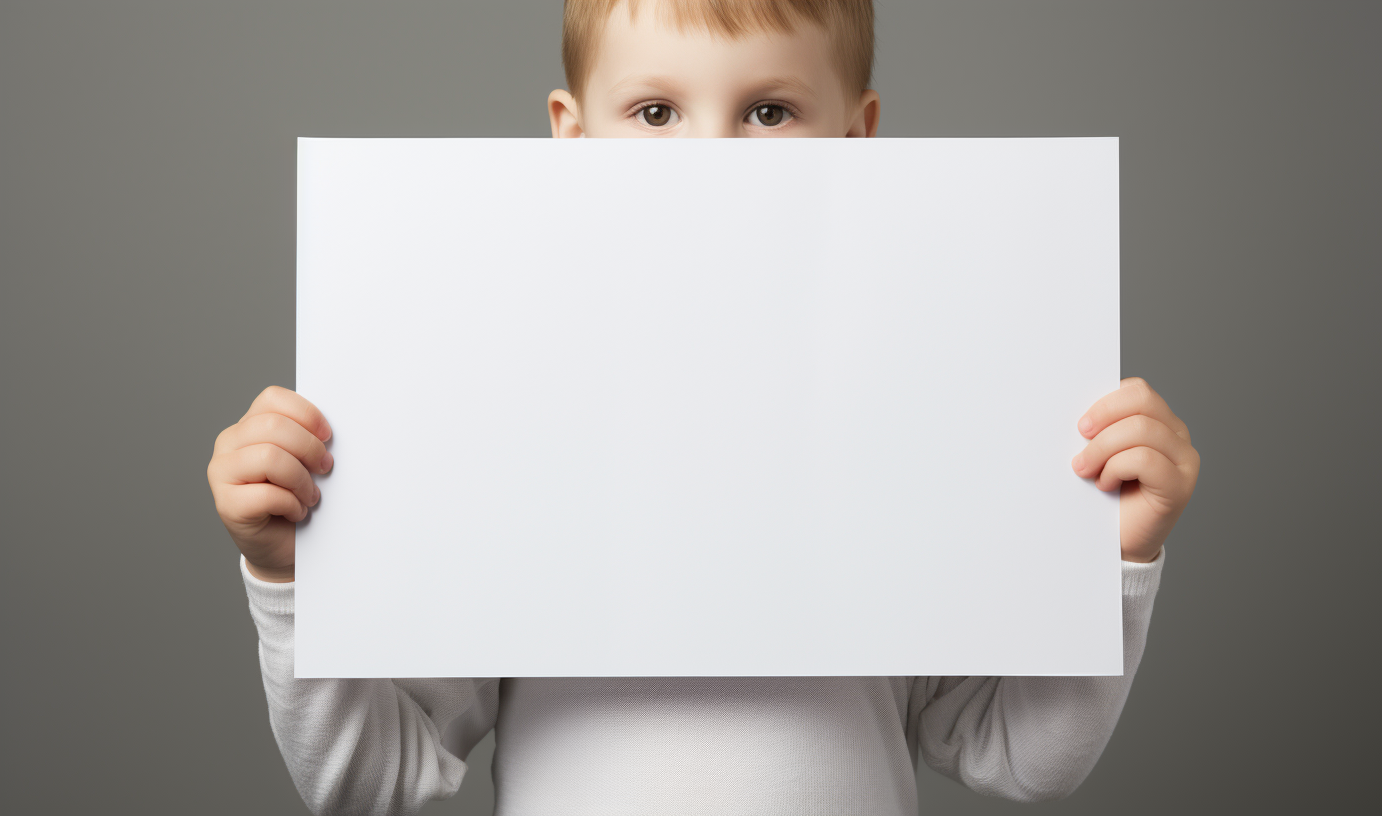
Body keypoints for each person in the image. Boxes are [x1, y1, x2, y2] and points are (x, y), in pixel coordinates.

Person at [205, 1, 1201, 813]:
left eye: (768, 112)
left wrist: (1112, 555)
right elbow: (365, 783)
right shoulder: (499, 427)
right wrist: (290, 578)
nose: (710, 159)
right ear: (571, 134)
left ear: (858, 135)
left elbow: (1021, 757)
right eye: (654, 113)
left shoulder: (922, 422)